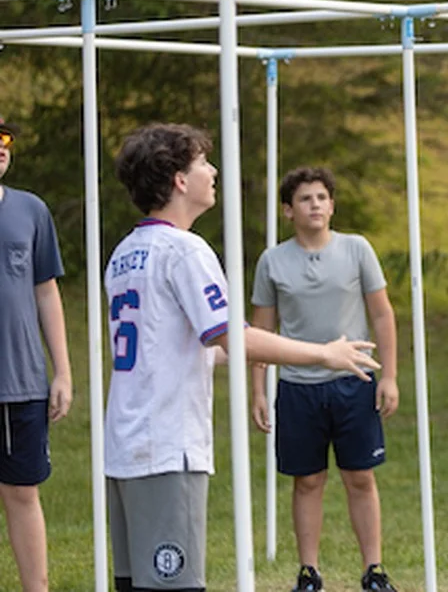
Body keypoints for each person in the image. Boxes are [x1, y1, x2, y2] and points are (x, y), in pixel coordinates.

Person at [104, 123, 379, 592]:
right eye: (202, 163)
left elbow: (176, 347)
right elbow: (235, 337)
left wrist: (266, 352)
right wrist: (323, 353)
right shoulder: (185, 251)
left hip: (126, 446)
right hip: (167, 448)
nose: (213, 171)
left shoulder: (125, 252)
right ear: (179, 180)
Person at [250, 167, 400, 592]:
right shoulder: (272, 261)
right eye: (304, 199)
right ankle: (309, 572)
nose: (314, 205)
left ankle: (374, 570)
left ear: (332, 206)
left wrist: (389, 376)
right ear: (288, 210)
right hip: (298, 388)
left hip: (354, 382)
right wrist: (257, 391)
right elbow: (260, 332)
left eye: (321, 197)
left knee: (360, 477)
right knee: (308, 480)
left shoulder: (357, 249)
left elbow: (382, 314)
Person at [0, 115, 72, 592]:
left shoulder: (30, 210)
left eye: (4, 138)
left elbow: (46, 292)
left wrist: (62, 371)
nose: (1, 146)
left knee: (23, 492)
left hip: (21, 381)